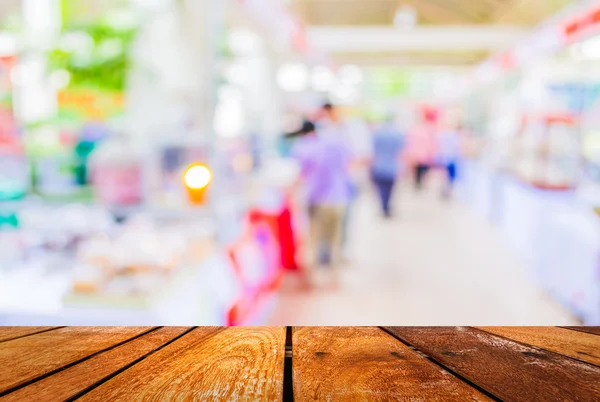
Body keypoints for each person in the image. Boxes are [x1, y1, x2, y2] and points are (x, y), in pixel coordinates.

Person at [290, 120, 351, 288]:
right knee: (335, 240)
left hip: (317, 200)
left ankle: (311, 279)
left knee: (313, 240)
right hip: (339, 198)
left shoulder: (306, 148)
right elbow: (347, 166)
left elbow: (302, 173)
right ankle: (335, 279)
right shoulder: (338, 145)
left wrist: (292, 190)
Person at [370, 116, 405, 218]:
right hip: (392, 166)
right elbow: (400, 151)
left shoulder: (377, 134)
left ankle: (384, 205)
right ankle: (387, 205)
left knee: (381, 189)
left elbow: (373, 150)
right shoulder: (397, 134)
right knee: (390, 189)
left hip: (379, 165)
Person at [407, 107, 438, 191]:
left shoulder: (428, 129)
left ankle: (419, 183)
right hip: (419, 155)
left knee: (422, 170)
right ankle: (418, 183)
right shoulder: (418, 129)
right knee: (419, 170)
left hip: (423, 155)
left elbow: (432, 142)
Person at [437, 123, 463, 199]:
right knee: (448, 178)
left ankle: (445, 192)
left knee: (446, 177)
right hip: (450, 159)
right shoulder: (455, 136)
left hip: (447, 159)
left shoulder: (444, 135)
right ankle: (446, 192)